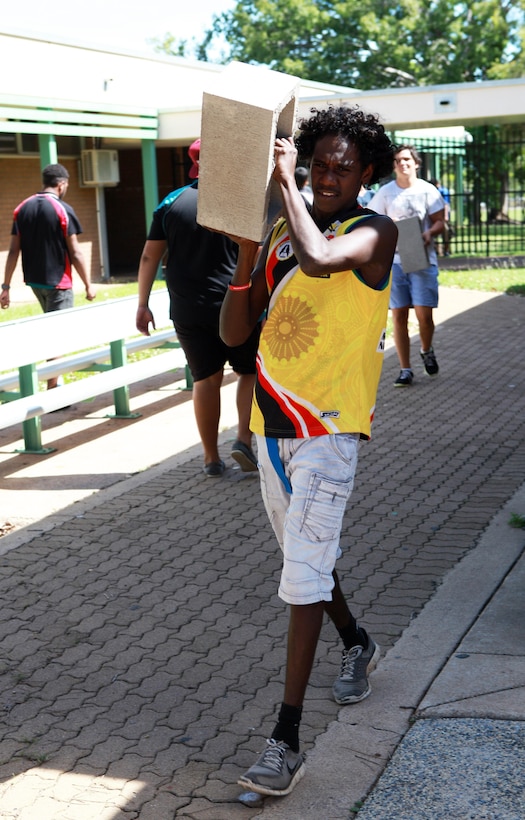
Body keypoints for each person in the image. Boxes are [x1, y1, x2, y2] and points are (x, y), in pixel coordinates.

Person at [220, 105, 397, 796]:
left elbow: (324, 260)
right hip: (271, 427)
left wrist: (282, 184)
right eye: (316, 164)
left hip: (327, 428)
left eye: (340, 167)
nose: (326, 177)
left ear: (367, 174)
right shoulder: (280, 233)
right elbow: (236, 333)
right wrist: (243, 252)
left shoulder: (372, 231)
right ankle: (357, 641)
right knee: (306, 562)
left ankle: (284, 740)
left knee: (301, 577)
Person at [136, 139, 260, 478]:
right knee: (247, 371)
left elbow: (150, 255)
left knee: (205, 379)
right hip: (238, 304)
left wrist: (143, 303)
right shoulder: (243, 202)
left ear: (195, 166)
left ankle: (209, 457)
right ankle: (243, 440)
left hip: (189, 308)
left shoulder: (172, 202)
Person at [1, 163, 96, 388]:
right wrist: (88, 284)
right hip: (59, 283)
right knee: (58, 334)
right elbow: (75, 252)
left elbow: (14, 250)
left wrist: (5, 287)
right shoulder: (62, 209)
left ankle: (54, 381)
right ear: (61, 184)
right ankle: (53, 387)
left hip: (35, 281)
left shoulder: (22, 208)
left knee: (51, 330)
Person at [368, 145, 445, 387]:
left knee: (424, 315)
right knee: (399, 315)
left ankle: (426, 349)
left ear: (416, 163)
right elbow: (372, 220)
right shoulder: (385, 193)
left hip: (420, 257)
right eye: (398, 160)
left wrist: (429, 233)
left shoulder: (427, 191)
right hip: (396, 260)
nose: (402, 164)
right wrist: (387, 224)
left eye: (406, 160)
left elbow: (441, 221)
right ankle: (405, 369)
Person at [431, 178, 451, 256]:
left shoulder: (443, 191)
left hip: (442, 216)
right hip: (432, 217)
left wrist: (445, 216)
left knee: (445, 232)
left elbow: (446, 204)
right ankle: (436, 250)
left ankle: (446, 250)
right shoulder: (430, 192)